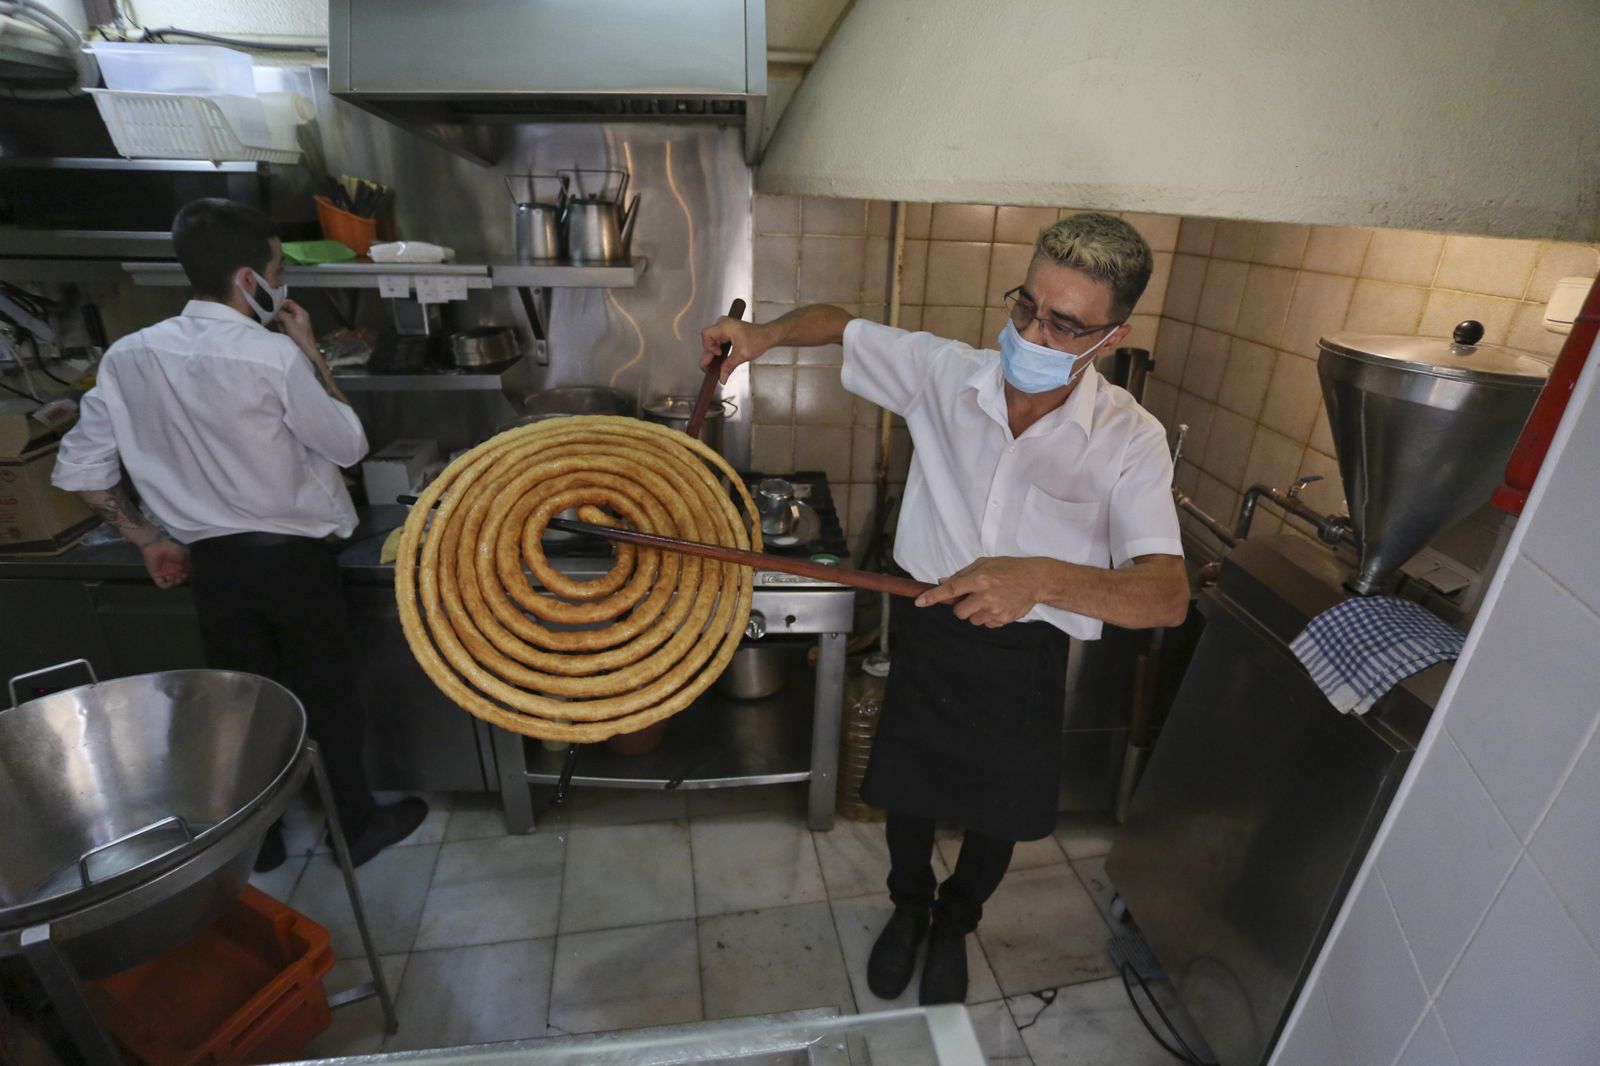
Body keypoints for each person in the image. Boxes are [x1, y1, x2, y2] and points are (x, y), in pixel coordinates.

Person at [702, 212, 1189, 1004]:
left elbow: (1166, 595)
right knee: (909, 793)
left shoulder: (1129, 438)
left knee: (997, 815)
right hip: (929, 626)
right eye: (1025, 306)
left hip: (1026, 653)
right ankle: (908, 909)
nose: (1033, 332)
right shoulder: (945, 374)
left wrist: (1040, 578)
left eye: (1065, 325)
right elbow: (839, 325)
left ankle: (956, 925)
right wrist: (764, 338)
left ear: (1113, 334)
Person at [52, 198, 427, 871]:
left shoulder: (128, 357)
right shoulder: (270, 356)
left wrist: (147, 539)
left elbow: (83, 472)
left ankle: (264, 843)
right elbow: (346, 445)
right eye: (279, 269)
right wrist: (311, 350)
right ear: (251, 280)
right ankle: (358, 829)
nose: (282, 282)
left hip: (214, 569)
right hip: (294, 564)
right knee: (330, 704)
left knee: (245, 712)